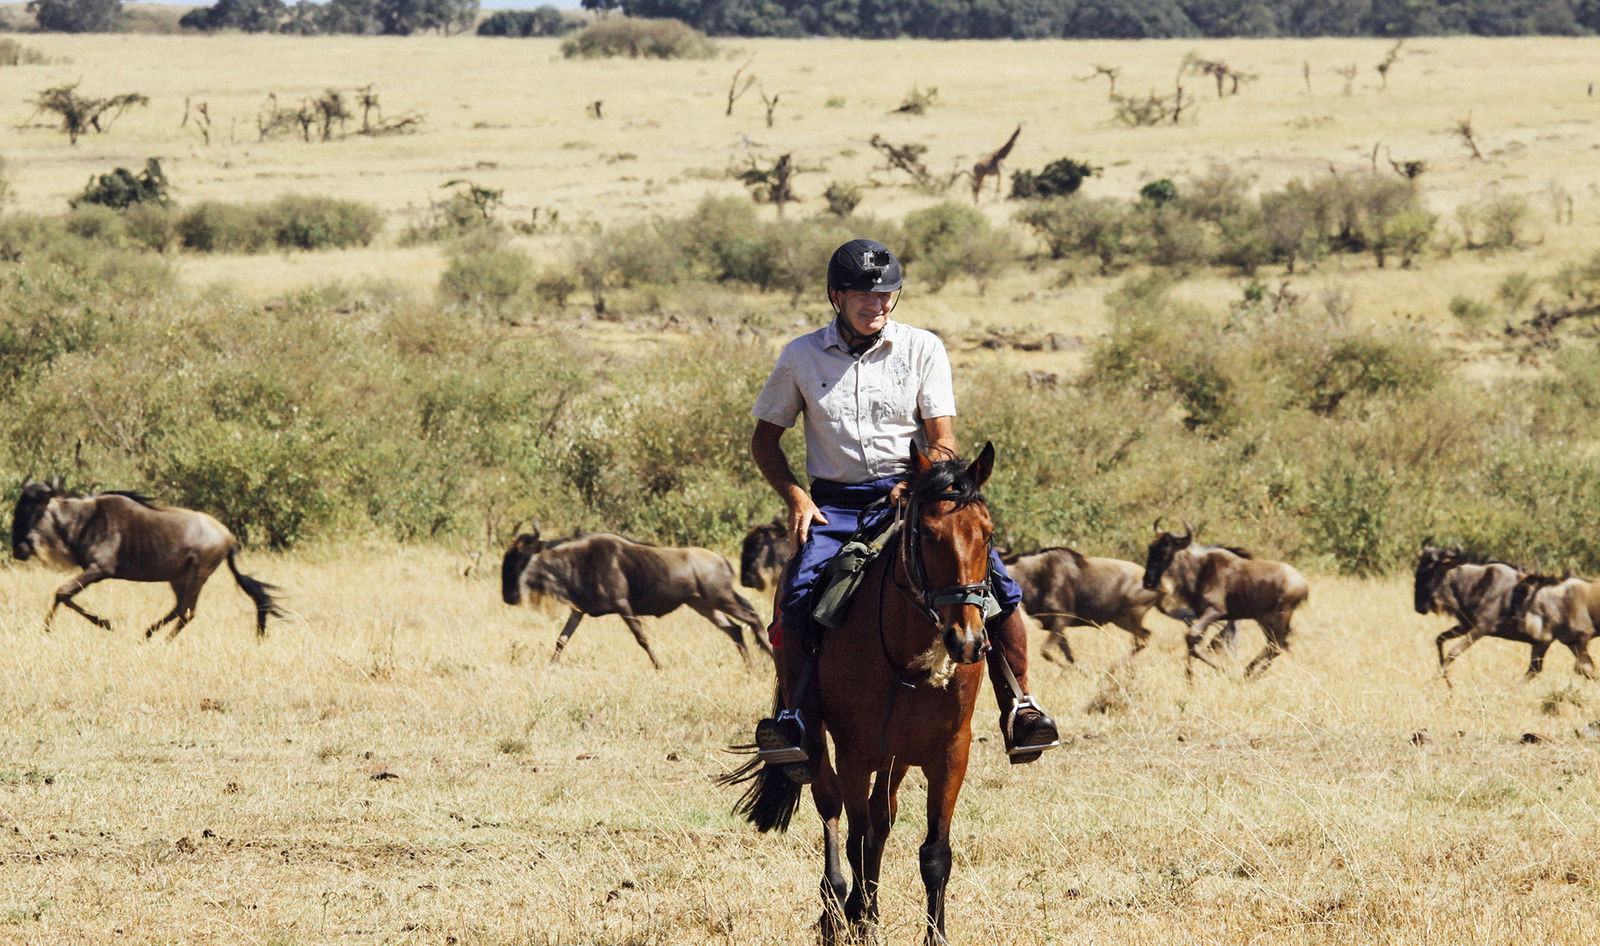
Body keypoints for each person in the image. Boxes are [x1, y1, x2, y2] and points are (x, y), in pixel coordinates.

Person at [748, 237, 1058, 778]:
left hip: (913, 496)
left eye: (887, 296)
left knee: (1000, 590)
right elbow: (764, 442)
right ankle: (794, 717)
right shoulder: (801, 356)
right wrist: (796, 497)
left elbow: (943, 440)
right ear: (835, 297)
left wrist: (917, 486)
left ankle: (1020, 707)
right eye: (865, 297)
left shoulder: (922, 348)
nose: (879, 306)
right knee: (797, 596)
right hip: (836, 506)